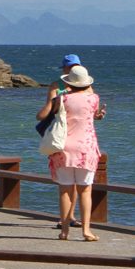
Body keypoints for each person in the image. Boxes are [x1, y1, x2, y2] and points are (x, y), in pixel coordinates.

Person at [37, 64, 104, 241]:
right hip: (86, 149)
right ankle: (86, 231)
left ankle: (64, 231)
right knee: (85, 191)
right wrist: (99, 116)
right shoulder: (94, 99)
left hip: (63, 148)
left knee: (65, 191)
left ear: (69, 83)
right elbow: (91, 115)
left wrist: (53, 96)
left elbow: (42, 116)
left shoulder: (62, 99)